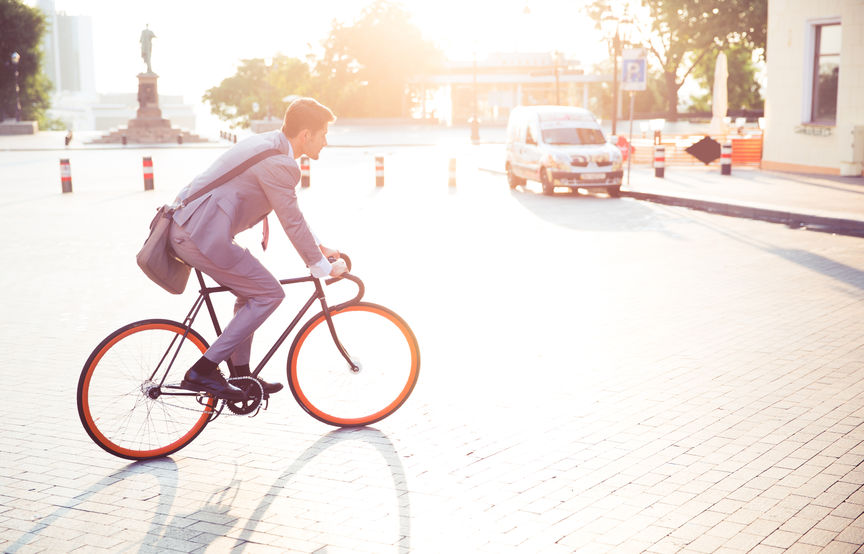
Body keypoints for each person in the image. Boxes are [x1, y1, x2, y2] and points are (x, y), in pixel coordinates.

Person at [171, 97, 347, 400]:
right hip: (198, 234)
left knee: (253, 291)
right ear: (306, 135)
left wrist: (320, 248)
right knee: (269, 293)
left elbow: (290, 213)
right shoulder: (280, 164)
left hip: (192, 227)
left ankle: (240, 376)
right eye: (324, 134)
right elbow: (291, 221)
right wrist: (322, 266)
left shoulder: (271, 145)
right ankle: (203, 370)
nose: (326, 142)